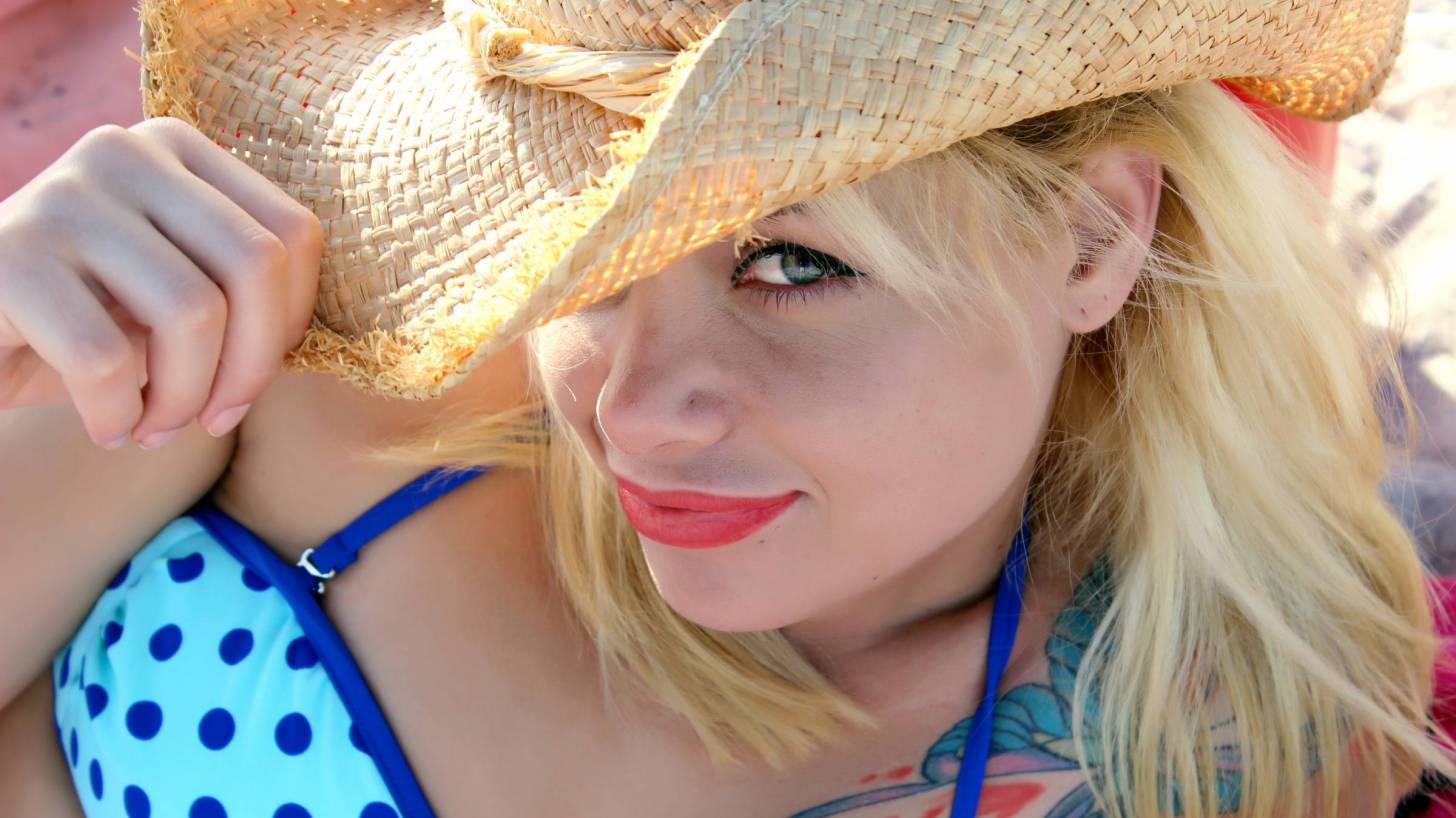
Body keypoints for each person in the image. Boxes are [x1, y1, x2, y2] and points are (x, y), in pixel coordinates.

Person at [0, 0, 1451, 816]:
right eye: (586, 257)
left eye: (790, 264)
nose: (633, 410)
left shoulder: (1225, 728)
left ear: (1092, 239)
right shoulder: (306, 356)